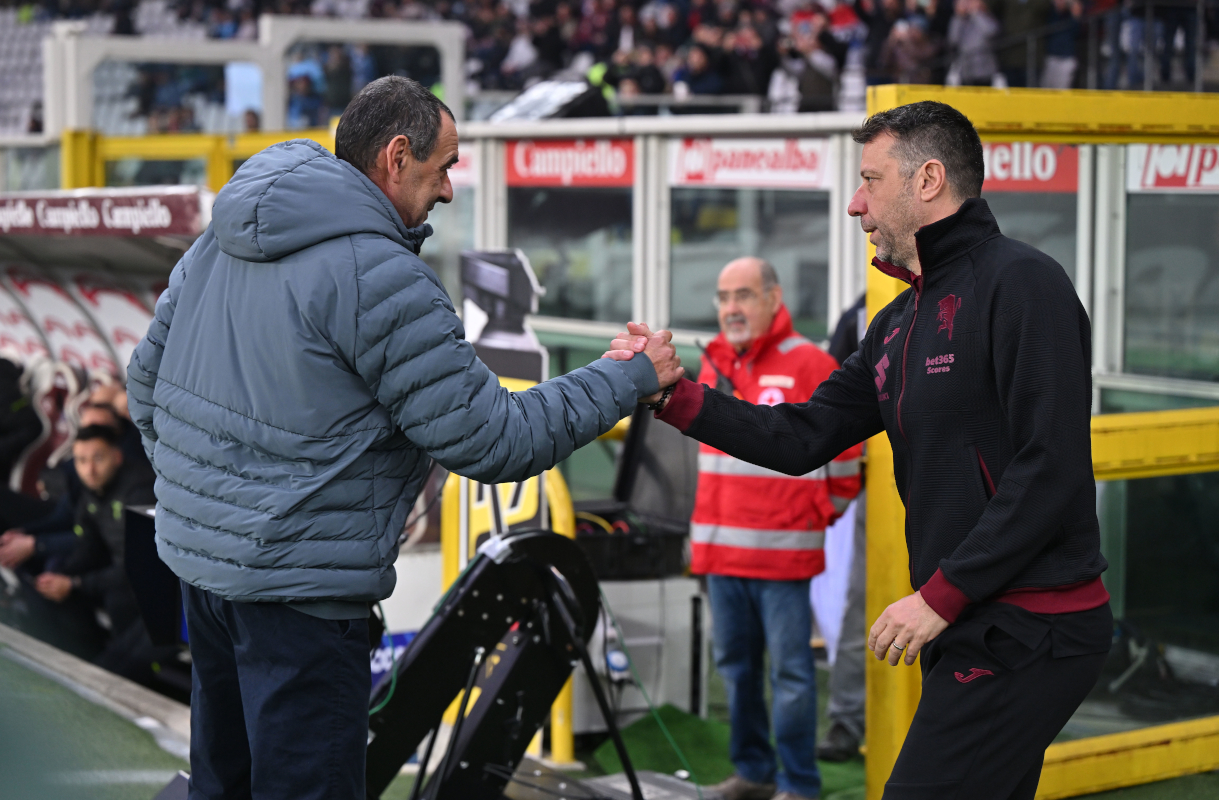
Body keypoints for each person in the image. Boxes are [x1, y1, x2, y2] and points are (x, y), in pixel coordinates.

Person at [126, 76, 682, 800]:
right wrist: (625, 379)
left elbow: (145, 387)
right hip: (302, 601)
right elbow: (494, 441)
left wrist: (217, 509)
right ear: (395, 156)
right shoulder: (380, 277)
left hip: (205, 578)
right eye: (445, 166)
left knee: (221, 788)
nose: (449, 190)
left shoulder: (217, 243)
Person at [607, 101, 1112, 799]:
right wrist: (677, 396)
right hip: (969, 623)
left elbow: (1049, 466)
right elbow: (799, 435)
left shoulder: (1024, 284)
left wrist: (939, 595)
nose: (854, 204)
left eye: (870, 180)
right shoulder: (895, 323)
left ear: (927, 180)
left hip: (1031, 627)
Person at [694, 258, 862, 800]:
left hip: (783, 555)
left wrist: (817, 516)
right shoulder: (709, 363)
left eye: (743, 294)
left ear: (773, 297)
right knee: (738, 674)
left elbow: (845, 457)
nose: (731, 308)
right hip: (720, 555)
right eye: (723, 297)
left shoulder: (811, 362)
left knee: (791, 677)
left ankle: (799, 784)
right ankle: (755, 774)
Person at [817, 293, 868, 763]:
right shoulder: (866, 314)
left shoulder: (998, 294)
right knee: (861, 605)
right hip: (883, 493)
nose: (859, 213)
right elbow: (827, 414)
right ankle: (848, 722)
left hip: (969, 489)